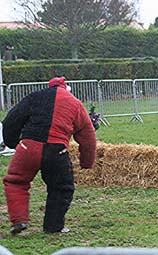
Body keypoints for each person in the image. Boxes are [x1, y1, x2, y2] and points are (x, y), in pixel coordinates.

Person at [2, 76, 96, 235]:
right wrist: (86, 162)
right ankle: (53, 227)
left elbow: (11, 119)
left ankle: (19, 220)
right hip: (57, 150)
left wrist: (12, 143)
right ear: (66, 88)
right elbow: (88, 136)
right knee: (61, 187)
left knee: (15, 181)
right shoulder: (75, 104)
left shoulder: (34, 97)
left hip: (28, 146)